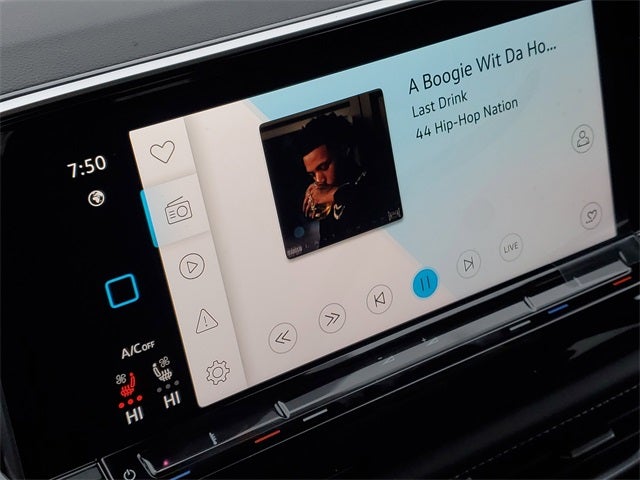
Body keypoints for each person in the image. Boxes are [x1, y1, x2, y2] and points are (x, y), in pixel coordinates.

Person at [296, 113, 373, 245]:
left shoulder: (373, 180)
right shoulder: (328, 205)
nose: (319, 180)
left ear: (344, 150)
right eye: (312, 174)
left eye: (324, 167)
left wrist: (333, 194)